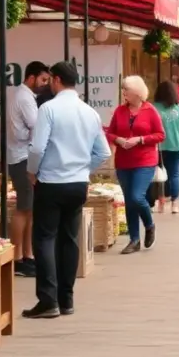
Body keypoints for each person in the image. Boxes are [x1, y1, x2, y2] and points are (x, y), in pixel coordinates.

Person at [23, 62, 110, 319]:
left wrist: (32, 171)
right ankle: (67, 299)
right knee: (70, 239)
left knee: (45, 239)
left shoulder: (48, 109)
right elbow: (103, 152)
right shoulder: (90, 112)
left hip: (50, 181)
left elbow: (38, 148)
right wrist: (85, 168)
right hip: (78, 183)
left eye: (51, 79)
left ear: (57, 80)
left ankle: (48, 300)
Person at [105, 76, 165, 254]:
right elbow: (110, 132)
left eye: (126, 90)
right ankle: (134, 239)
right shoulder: (119, 111)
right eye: (122, 90)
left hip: (144, 160)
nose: (123, 93)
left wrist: (140, 139)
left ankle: (149, 224)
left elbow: (160, 135)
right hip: (123, 161)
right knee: (129, 201)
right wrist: (118, 140)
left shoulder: (150, 110)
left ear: (138, 93)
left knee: (137, 196)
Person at [6, 60, 50, 278]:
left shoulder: (26, 97)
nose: (44, 84)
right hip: (21, 158)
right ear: (31, 77)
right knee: (23, 208)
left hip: (25, 156)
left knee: (30, 208)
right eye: (42, 80)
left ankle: (27, 255)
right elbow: (38, 125)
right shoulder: (24, 98)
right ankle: (16, 258)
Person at [154, 81, 179, 214]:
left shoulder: (153, 108)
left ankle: (160, 202)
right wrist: (177, 132)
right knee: (174, 175)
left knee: (158, 175)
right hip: (175, 145)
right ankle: (174, 203)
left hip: (157, 146)